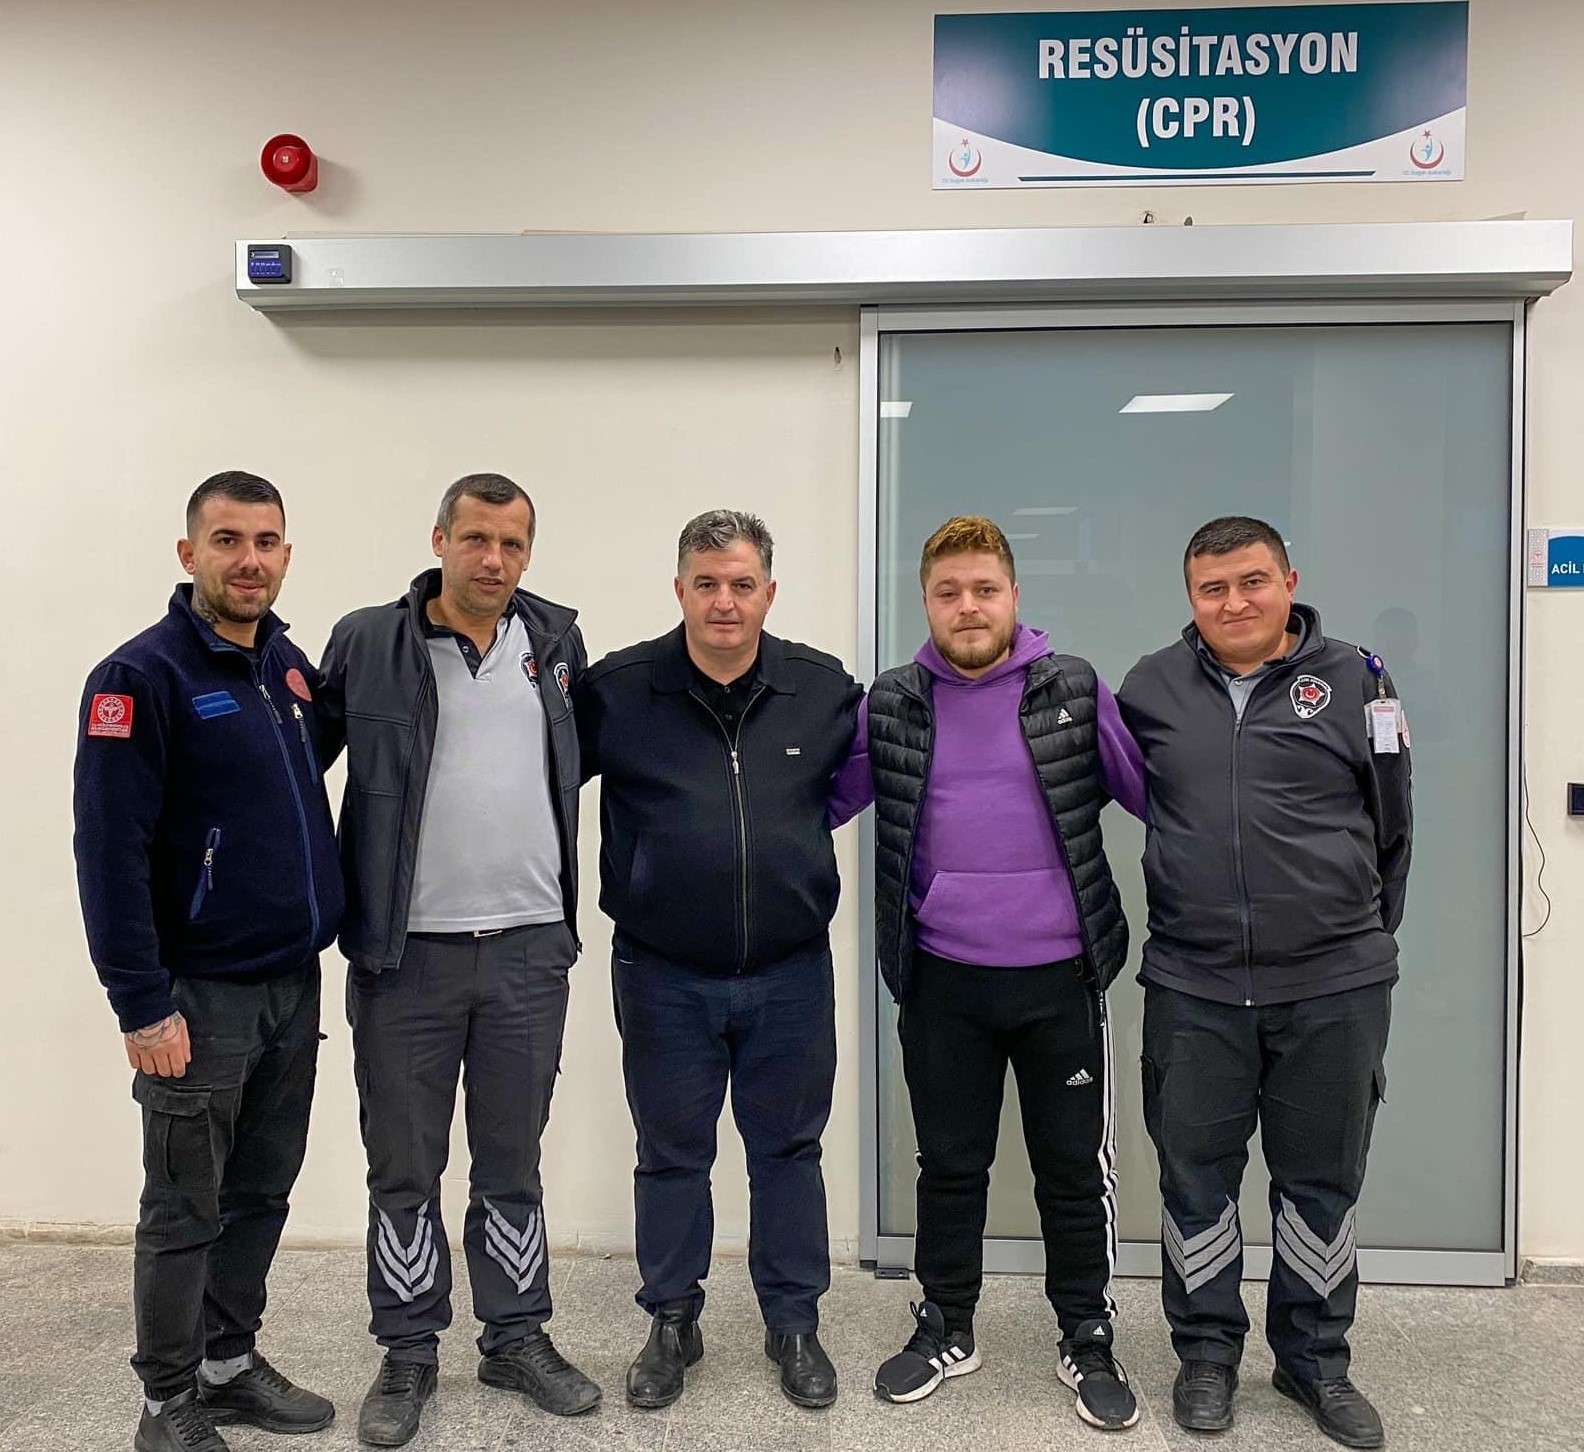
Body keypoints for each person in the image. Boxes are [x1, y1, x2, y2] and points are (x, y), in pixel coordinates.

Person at [829, 515, 1146, 1431]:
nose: (967, 607)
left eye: (984, 589)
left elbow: (1158, 797)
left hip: (1061, 981)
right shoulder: (894, 701)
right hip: (943, 981)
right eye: (948, 592)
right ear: (926, 602)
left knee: (1072, 1171)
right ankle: (946, 1323)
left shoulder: (1072, 689)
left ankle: (1086, 1333)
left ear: (1014, 596)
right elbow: (817, 801)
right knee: (950, 1165)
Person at [1117, 516, 1412, 1450]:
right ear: (1190, 598)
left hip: (1333, 985)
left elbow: (1394, 825)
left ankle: (1314, 1360)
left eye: (1252, 581)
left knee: (1320, 1182)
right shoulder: (1149, 688)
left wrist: (1353, 938)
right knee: (1195, 1181)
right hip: (1193, 984)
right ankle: (1206, 1355)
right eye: (1213, 588)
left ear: (1289, 580)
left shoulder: (1358, 680)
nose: (1234, 602)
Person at [317, 473, 598, 1447]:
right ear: (439, 538)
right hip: (406, 959)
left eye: (512, 544)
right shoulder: (368, 643)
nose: (493, 559)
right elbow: (296, 767)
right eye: (476, 538)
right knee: (404, 1168)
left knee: (512, 1165)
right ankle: (408, 1350)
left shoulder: (555, 645)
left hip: (528, 950)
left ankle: (515, 1337)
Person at [73, 471, 342, 1452]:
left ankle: (228, 1364)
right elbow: (109, 851)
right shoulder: (138, 678)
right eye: (228, 540)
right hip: (197, 999)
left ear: (286, 554)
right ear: (190, 554)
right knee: (184, 1207)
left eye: (266, 541)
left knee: (260, 1191)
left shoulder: (287, 667)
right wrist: (140, 1003)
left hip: (291, 985)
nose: (249, 560)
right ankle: (165, 1399)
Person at [575, 509, 863, 1412]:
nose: (724, 602)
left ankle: (794, 1322)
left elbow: (868, 781)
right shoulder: (619, 690)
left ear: (769, 592)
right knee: (671, 1154)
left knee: (789, 1150)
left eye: (742, 585)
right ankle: (672, 1320)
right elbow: (533, 784)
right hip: (663, 972)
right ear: (679, 591)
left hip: (790, 970)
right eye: (707, 584)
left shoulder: (822, 689)